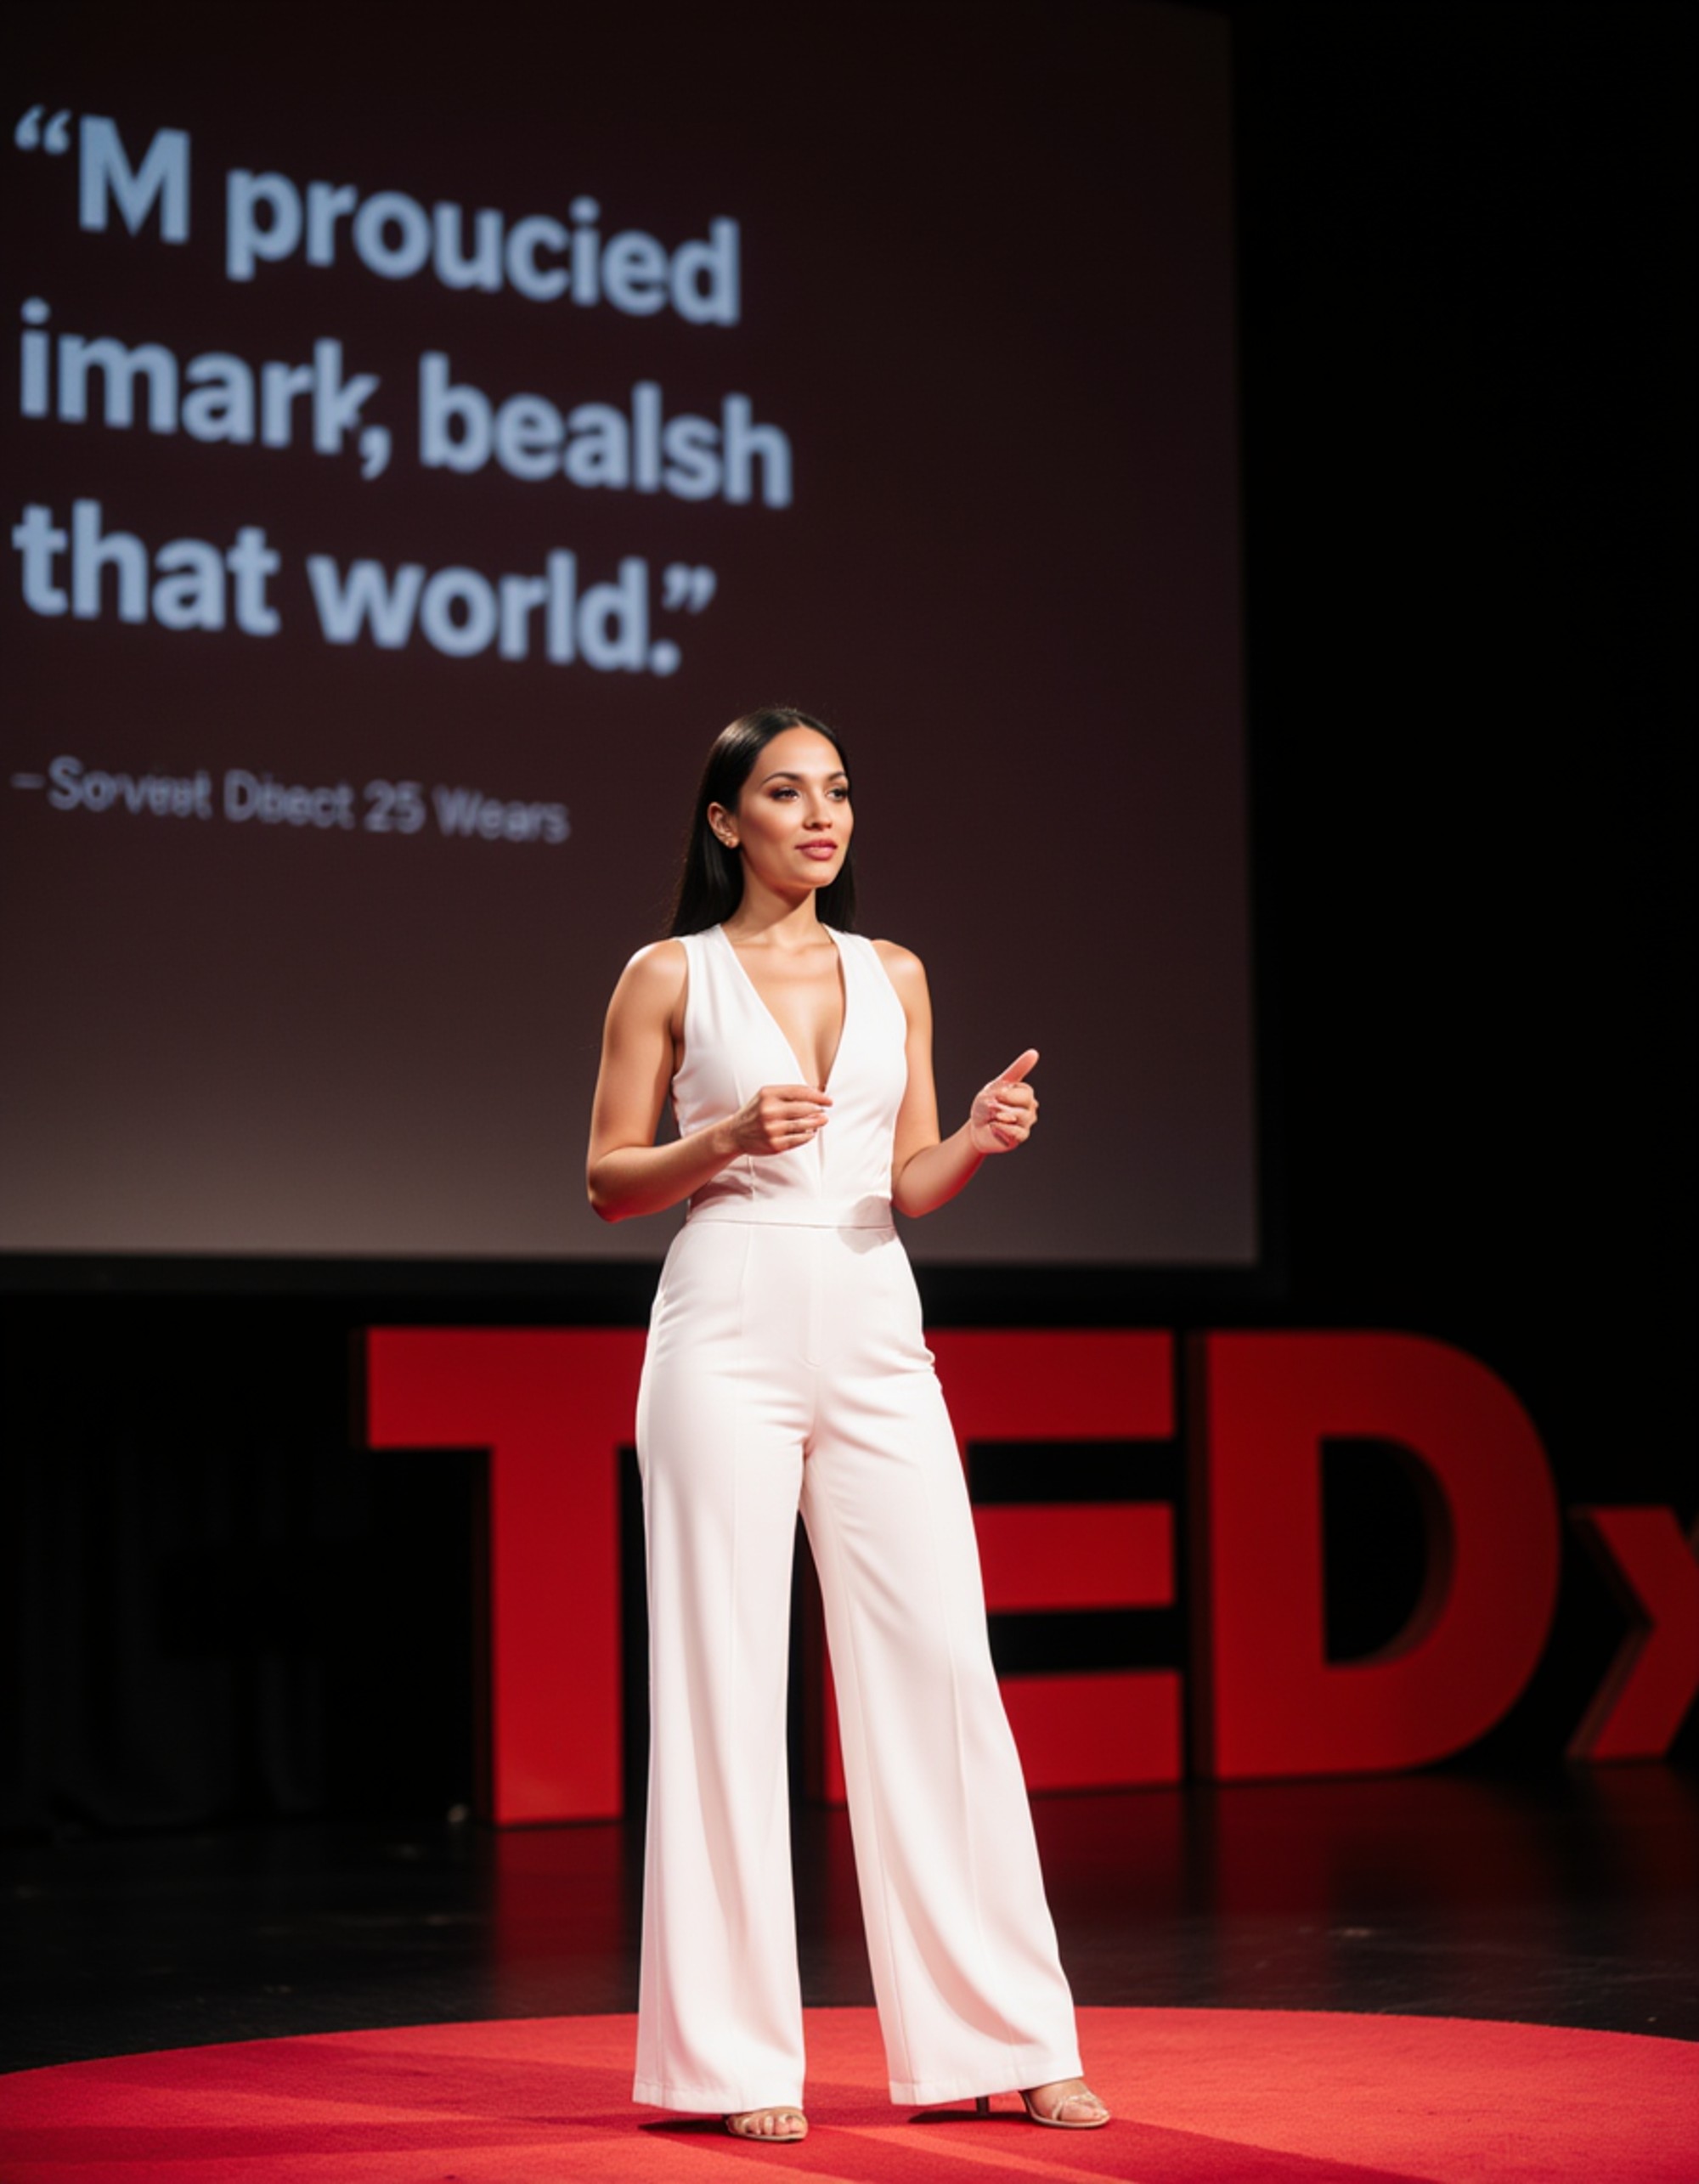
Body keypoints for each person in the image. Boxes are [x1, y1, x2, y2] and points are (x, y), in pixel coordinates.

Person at [585, 705, 1110, 2145]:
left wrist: (975, 1145)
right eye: (784, 793)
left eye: (837, 793)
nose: (820, 817)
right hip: (726, 1320)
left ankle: (1005, 2034)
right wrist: (722, 1140)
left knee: (941, 1667)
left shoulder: (897, 974)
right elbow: (608, 1180)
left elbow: (905, 1178)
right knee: (724, 1679)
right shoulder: (667, 974)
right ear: (723, 821)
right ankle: (729, 2062)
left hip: (877, 1319)